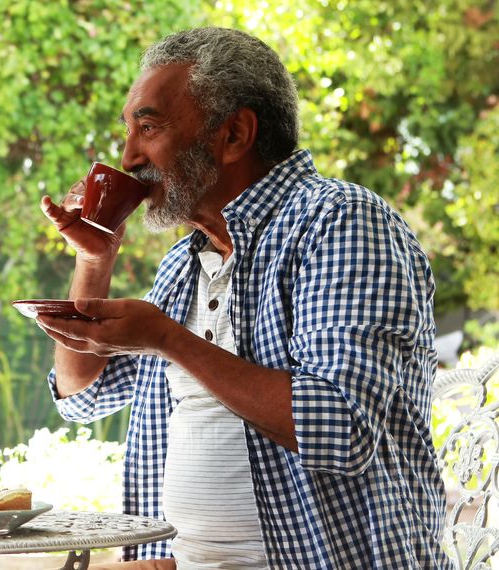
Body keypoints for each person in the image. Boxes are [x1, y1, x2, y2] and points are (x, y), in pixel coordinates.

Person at [37, 28, 448, 569]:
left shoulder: (339, 222)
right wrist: (94, 261)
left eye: (149, 126)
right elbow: (82, 394)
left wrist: (167, 339)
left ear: (234, 135)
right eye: (129, 130)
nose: (129, 156)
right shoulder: (185, 266)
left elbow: (341, 427)